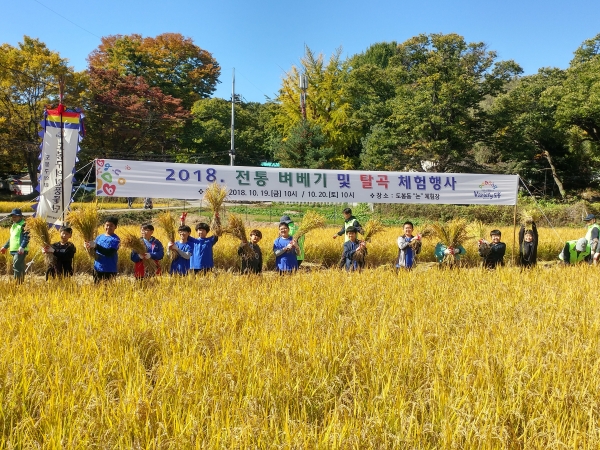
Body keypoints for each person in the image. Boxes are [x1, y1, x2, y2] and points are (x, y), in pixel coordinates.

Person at [84, 216, 120, 283]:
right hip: (97, 268)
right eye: (107, 225)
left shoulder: (115, 239)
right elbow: (93, 250)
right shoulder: (99, 237)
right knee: (97, 290)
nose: (108, 227)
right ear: (104, 225)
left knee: (108, 290)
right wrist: (87, 246)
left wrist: (95, 246)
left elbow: (109, 253)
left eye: (111, 226)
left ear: (115, 227)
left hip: (109, 269)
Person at [1, 208, 30, 283]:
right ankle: (20, 282)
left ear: (20, 216)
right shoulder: (13, 225)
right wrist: (5, 247)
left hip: (20, 249)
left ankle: (18, 283)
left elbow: (27, 237)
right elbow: (11, 238)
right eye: (12, 216)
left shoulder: (24, 225)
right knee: (19, 266)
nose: (13, 218)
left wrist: (22, 247)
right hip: (14, 249)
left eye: (15, 216)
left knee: (16, 265)